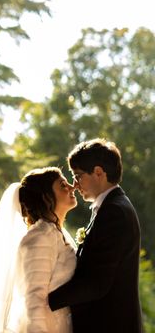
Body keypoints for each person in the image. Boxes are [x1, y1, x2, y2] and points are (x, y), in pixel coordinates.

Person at [48, 139, 143, 332]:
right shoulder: (109, 207)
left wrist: (48, 300)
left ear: (98, 173)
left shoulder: (114, 212)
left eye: (78, 176)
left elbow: (97, 283)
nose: (74, 185)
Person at [0, 167, 78, 333]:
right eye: (63, 185)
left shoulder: (55, 234)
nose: (72, 187)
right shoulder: (39, 238)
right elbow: (34, 299)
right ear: (46, 197)